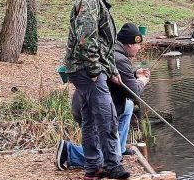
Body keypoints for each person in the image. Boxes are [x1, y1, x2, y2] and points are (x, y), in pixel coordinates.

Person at [63, 0, 130, 180]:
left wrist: (112, 71)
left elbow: (103, 43)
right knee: (107, 114)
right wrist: (94, 71)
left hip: (86, 68)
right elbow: (86, 38)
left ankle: (93, 167)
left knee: (90, 117)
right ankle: (112, 165)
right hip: (86, 69)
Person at [57, 23, 151, 170]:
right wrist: (142, 81)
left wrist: (133, 74)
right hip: (92, 110)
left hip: (90, 103)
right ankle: (68, 151)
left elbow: (117, 80)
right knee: (105, 159)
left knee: (128, 106)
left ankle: (118, 148)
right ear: (130, 44)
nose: (139, 48)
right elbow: (133, 92)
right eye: (138, 45)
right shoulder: (119, 59)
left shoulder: (113, 52)